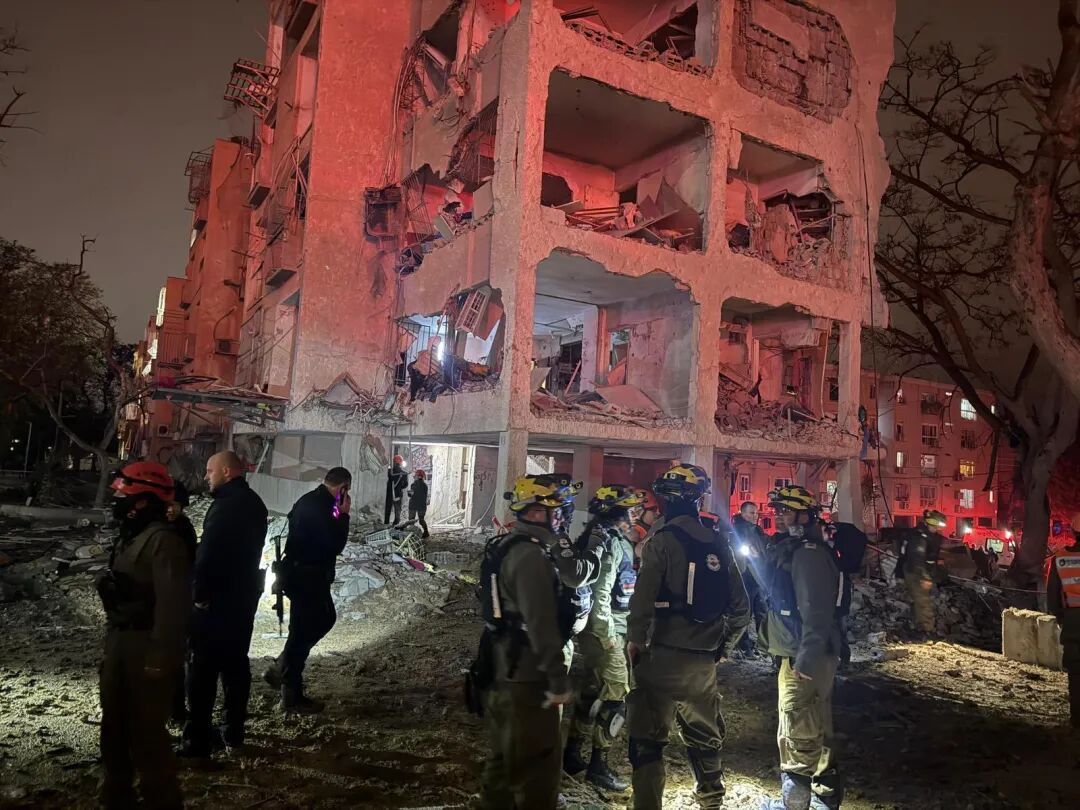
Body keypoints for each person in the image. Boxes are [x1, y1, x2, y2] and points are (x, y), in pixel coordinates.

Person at [626, 464, 750, 810]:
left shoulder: (661, 541)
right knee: (705, 738)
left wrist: (635, 641)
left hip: (661, 657)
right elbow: (742, 609)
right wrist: (722, 648)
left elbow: (642, 600)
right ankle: (711, 800)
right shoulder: (719, 543)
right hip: (703, 662)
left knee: (647, 740)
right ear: (698, 500)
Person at [475, 475, 581, 810]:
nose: (560, 518)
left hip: (505, 669)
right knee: (539, 769)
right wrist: (557, 679)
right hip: (528, 676)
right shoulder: (531, 557)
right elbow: (540, 623)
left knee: (504, 763)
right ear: (537, 513)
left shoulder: (508, 545)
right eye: (555, 511)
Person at [97, 462, 190, 810]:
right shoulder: (131, 536)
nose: (117, 501)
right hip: (120, 641)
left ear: (142, 501)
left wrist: (160, 657)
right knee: (114, 724)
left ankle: (162, 800)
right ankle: (117, 793)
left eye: (123, 495)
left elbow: (172, 607)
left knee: (147, 732)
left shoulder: (164, 542)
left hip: (146, 645)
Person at [758, 486, 843, 810]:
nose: (779, 516)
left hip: (804, 657)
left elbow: (816, 610)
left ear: (805, 516)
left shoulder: (807, 554)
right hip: (801, 652)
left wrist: (805, 661)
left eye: (787, 511)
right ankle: (825, 797)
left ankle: (794, 804)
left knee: (798, 726)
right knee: (816, 722)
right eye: (777, 510)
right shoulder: (794, 549)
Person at [179, 451, 268, 756]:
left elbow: (209, 556)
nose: (206, 476)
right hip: (243, 599)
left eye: (209, 470)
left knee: (202, 670)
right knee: (235, 666)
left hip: (218, 603)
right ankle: (233, 731)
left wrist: (199, 598)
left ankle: (197, 739)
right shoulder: (254, 502)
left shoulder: (226, 506)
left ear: (227, 471)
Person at [564, 484, 644, 792]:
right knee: (616, 698)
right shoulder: (609, 542)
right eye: (630, 509)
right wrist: (607, 635)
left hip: (606, 628)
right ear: (617, 512)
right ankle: (599, 765)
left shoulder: (605, 537)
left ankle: (572, 755)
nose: (634, 514)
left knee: (591, 692)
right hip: (606, 631)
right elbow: (601, 593)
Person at [264, 466, 352, 712]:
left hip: (301, 575)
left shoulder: (314, 500)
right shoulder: (321, 506)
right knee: (311, 627)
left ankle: (286, 677)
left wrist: (339, 512)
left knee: (305, 629)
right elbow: (335, 545)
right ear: (343, 487)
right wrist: (345, 515)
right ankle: (286, 678)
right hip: (308, 577)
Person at [165, 481, 198, 727]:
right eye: (167, 504)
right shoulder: (153, 528)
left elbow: (192, 562)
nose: (171, 509)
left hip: (178, 599)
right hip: (157, 600)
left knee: (176, 658)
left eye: (175, 504)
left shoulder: (184, 528)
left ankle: (176, 709)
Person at [1047, 515, 1080, 730]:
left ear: (1074, 532)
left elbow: (1052, 598)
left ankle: (1077, 719)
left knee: (1076, 674)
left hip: (1073, 624)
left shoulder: (1060, 559)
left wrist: (1063, 618)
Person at [895, 509, 946, 635]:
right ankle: (928, 631)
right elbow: (917, 559)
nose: (937, 529)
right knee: (923, 602)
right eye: (936, 526)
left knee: (918, 600)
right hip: (916, 573)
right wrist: (924, 577)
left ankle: (918, 625)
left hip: (919, 571)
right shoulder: (919, 537)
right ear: (930, 523)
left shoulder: (926, 535)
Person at [732, 501, 769, 655]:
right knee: (746, 613)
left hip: (758, 576)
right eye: (752, 513)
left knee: (762, 611)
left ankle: (763, 645)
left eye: (756, 513)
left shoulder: (758, 531)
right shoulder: (736, 531)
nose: (755, 516)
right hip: (745, 576)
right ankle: (744, 645)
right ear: (742, 513)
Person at [385, 454, 409, 525]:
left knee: (388, 508)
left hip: (389, 493)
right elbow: (406, 484)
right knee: (397, 509)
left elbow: (389, 479)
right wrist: (400, 487)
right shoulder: (404, 473)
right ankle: (396, 524)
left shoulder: (390, 471)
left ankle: (386, 523)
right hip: (398, 493)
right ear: (401, 462)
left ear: (394, 462)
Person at [406, 469, 430, 538]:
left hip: (413, 504)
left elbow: (411, 495)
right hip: (422, 505)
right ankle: (426, 532)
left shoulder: (413, 485)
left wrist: (409, 493)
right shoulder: (425, 486)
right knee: (421, 520)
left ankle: (411, 534)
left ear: (416, 476)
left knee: (411, 520)